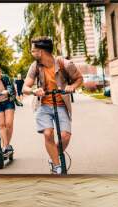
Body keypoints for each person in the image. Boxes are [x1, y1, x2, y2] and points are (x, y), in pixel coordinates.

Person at [22, 36, 83, 174]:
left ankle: (52, 156)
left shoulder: (64, 64)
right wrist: (33, 91)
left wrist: (72, 86)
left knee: (65, 136)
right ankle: (57, 166)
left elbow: (79, 79)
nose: (32, 53)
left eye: (33, 51)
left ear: (41, 52)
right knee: (48, 133)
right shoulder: (35, 66)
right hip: (43, 105)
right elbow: (25, 87)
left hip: (61, 104)